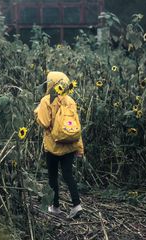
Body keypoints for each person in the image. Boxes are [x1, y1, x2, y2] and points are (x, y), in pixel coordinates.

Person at [34, 71, 84, 219]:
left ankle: (55, 207)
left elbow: (45, 123)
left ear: (51, 84)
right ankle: (76, 205)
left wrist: (37, 112)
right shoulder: (70, 100)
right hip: (69, 145)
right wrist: (80, 147)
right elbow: (75, 125)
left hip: (53, 146)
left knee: (52, 177)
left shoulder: (46, 100)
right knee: (68, 174)